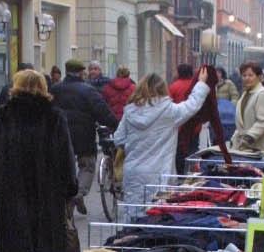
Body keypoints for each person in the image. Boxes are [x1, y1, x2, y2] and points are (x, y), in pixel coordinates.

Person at [0, 69, 78, 252]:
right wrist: (70, 187)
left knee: (18, 243)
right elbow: (66, 155)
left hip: (13, 188)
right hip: (47, 190)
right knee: (45, 245)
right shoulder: (54, 116)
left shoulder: (3, 115)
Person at [114, 68, 211, 219]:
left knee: (133, 215)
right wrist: (201, 83)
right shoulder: (169, 112)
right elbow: (192, 104)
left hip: (133, 172)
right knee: (158, 215)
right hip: (160, 172)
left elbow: (118, 139)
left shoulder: (130, 112)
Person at [50, 59, 118, 215]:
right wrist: (115, 124)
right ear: (81, 72)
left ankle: (65, 195)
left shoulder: (55, 89)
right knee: (87, 165)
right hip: (83, 135)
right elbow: (102, 112)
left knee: (62, 165)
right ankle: (78, 193)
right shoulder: (88, 90)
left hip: (60, 134)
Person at [231, 61, 264, 152]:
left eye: (250, 75)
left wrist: (249, 136)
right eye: (244, 75)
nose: (247, 78)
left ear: (259, 77)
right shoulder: (245, 95)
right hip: (245, 149)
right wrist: (234, 139)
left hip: (260, 149)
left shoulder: (262, 94)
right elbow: (241, 124)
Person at [169, 64, 201, 174]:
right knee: (193, 149)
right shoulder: (196, 86)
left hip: (180, 126)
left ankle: (181, 174)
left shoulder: (174, 86)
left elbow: (169, 105)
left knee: (179, 152)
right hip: (194, 125)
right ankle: (194, 172)